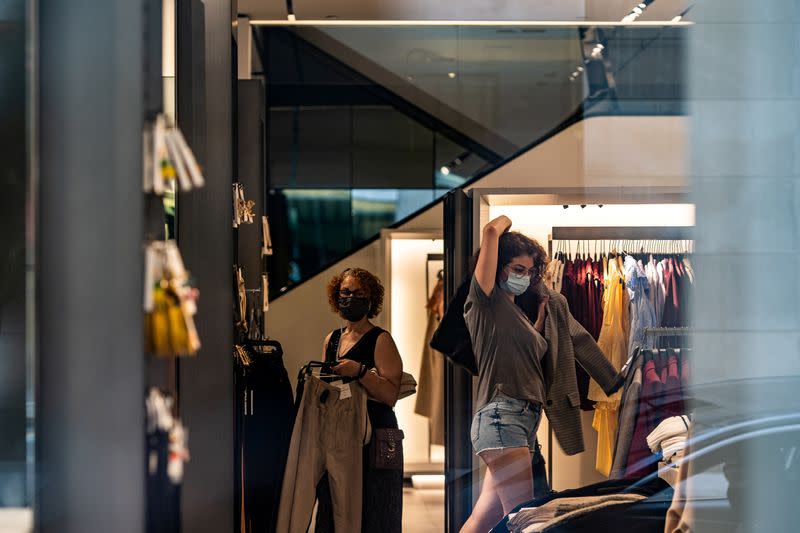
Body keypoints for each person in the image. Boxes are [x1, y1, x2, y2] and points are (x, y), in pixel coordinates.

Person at [461, 216, 622, 533]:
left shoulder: (515, 311)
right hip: (502, 416)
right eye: (517, 269)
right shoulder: (485, 301)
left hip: (520, 420)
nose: (525, 277)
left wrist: (540, 320)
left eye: (530, 271)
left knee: (485, 520)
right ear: (497, 267)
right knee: (525, 521)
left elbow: (533, 352)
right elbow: (491, 230)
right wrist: (508, 225)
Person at [314, 267, 404, 533]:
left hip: (375, 437)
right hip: (340, 436)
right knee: (334, 507)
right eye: (345, 292)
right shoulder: (331, 340)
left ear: (370, 299)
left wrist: (361, 372)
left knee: (375, 509)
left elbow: (390, 395)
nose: (350, 298)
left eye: (358, 294)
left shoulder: (381, 339)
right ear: (336, 296)